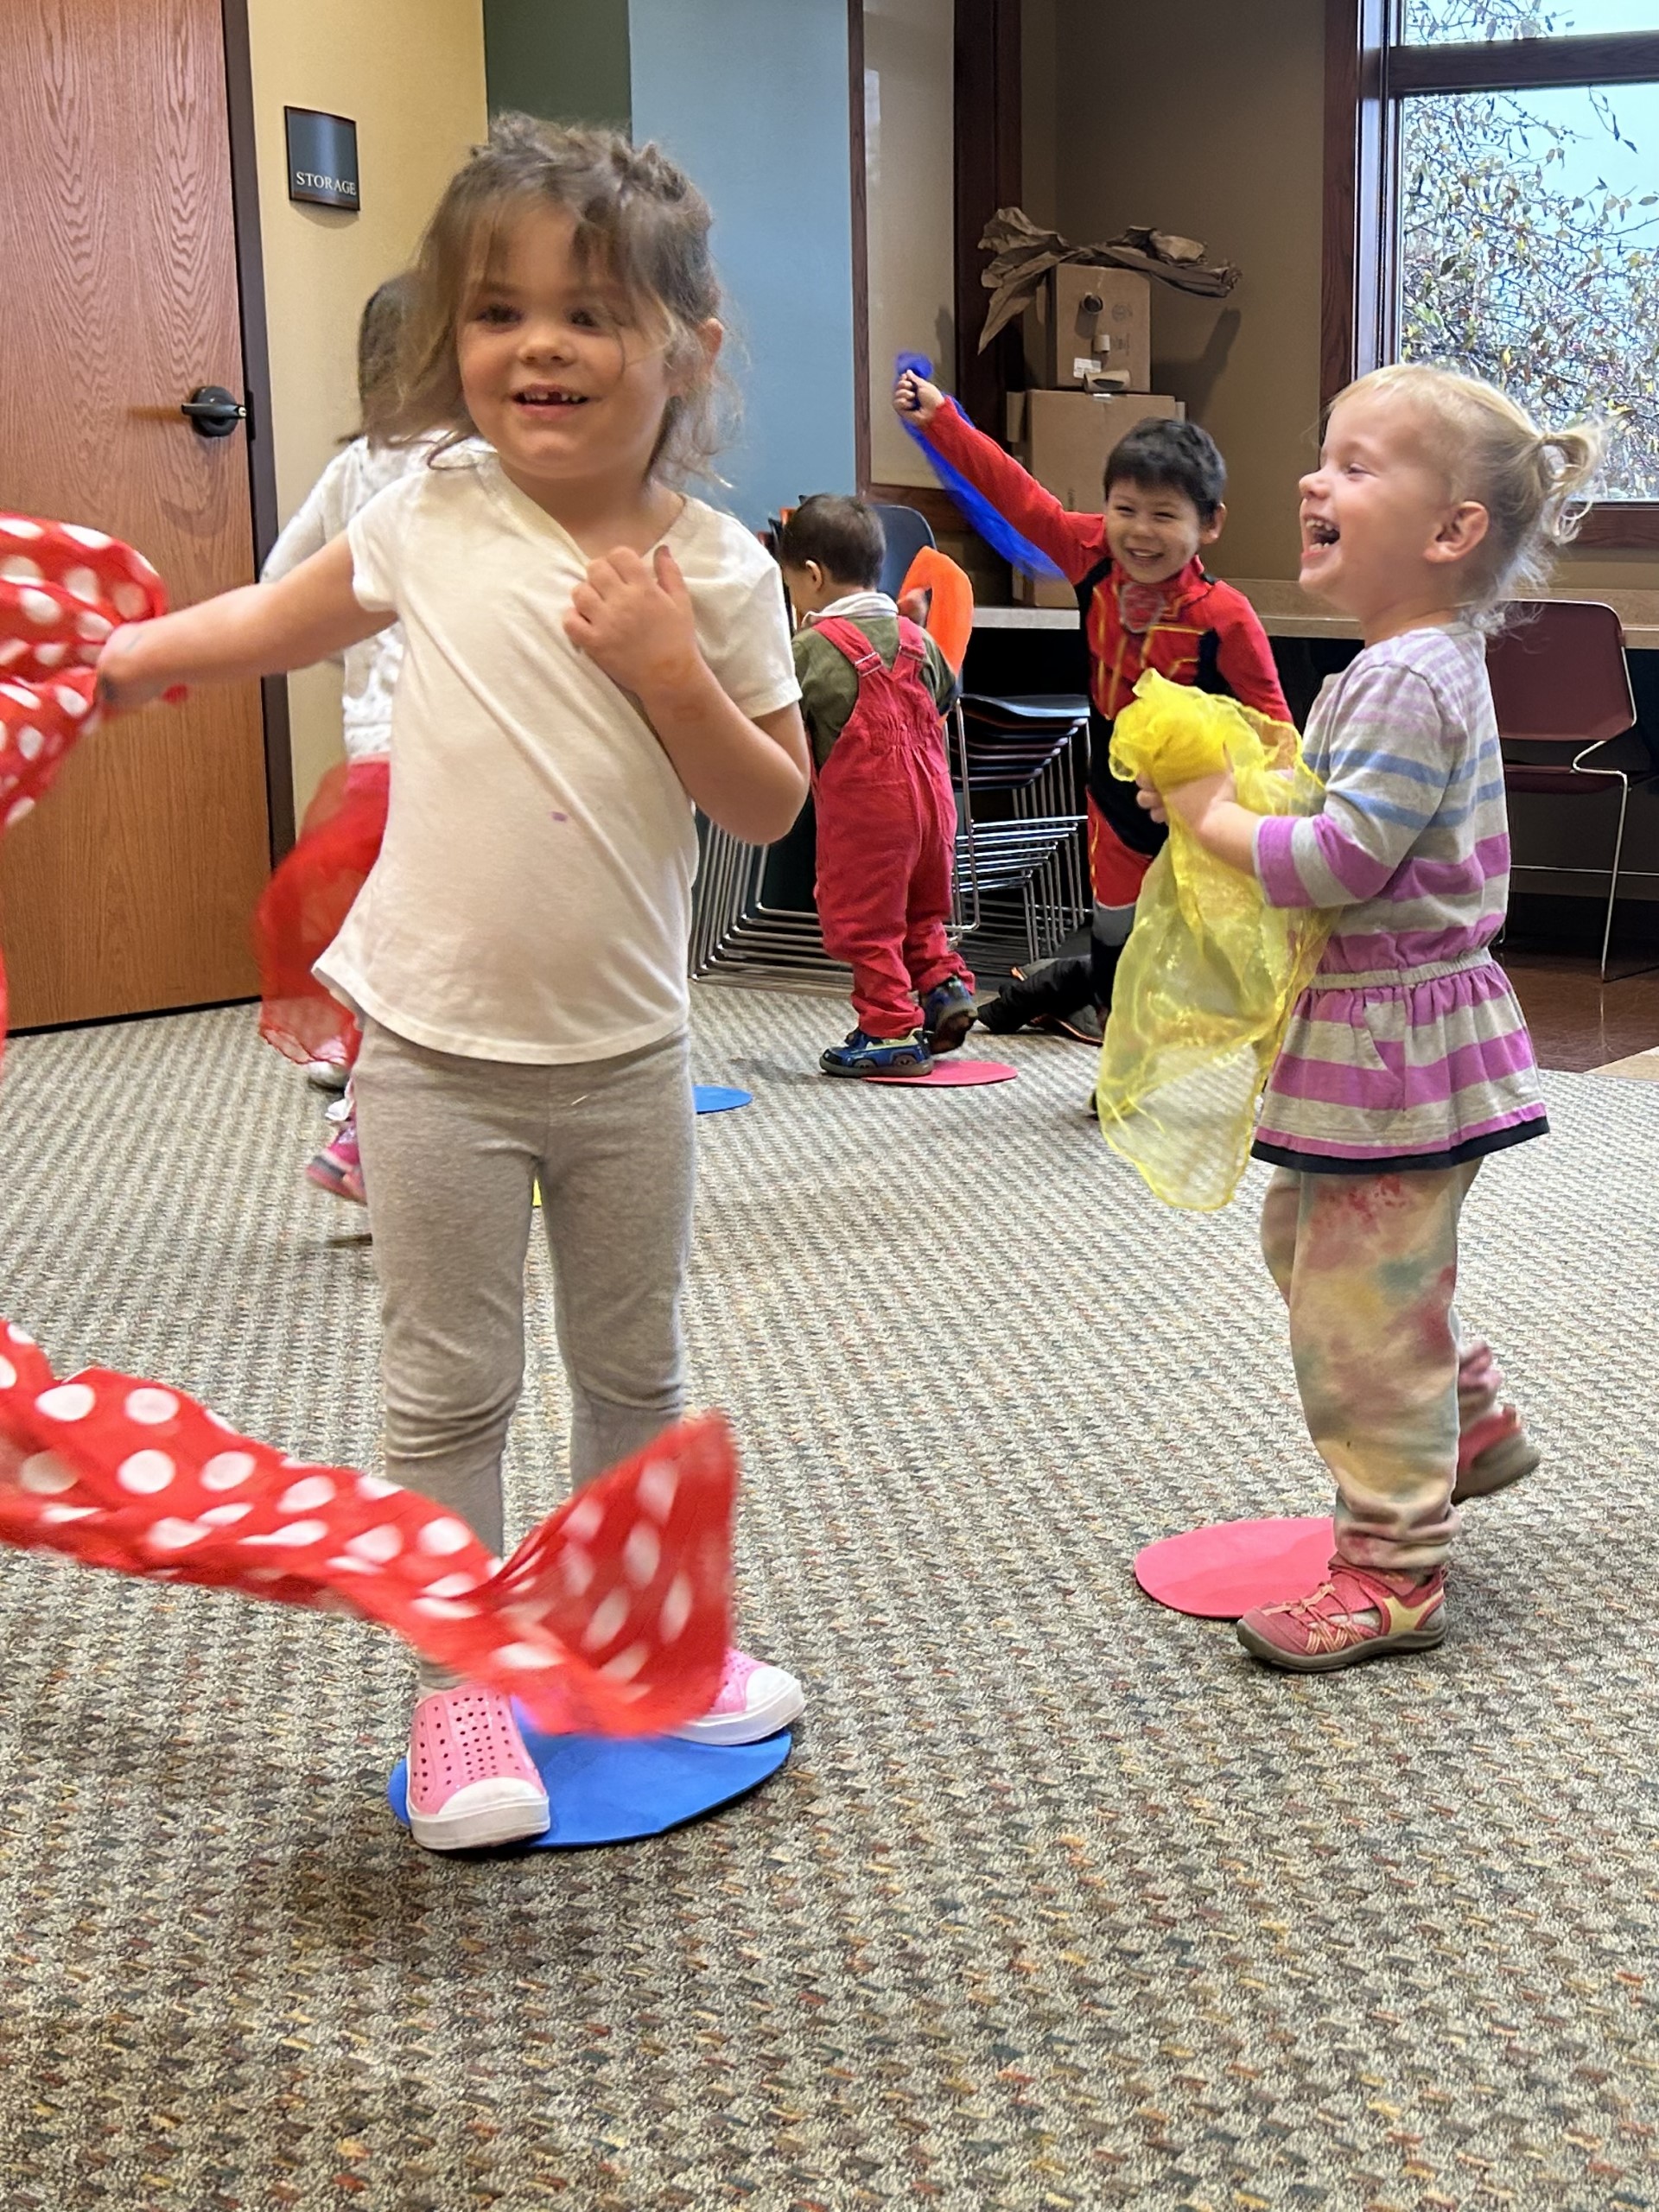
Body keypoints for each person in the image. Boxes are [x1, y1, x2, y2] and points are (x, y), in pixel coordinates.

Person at [97, 115, 813, 1848]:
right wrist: (119, 660)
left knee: (632, 1372)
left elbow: (767, 799)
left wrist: (668, 670)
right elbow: (275, 624)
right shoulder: (425, 516)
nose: (538, 346)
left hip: (629, 1051)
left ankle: (635, 1642)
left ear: (690, 351)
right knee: (447, 1386)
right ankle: (461, 1688)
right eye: (498, 311)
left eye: (590, 312)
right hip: (429, 1050)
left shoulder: (710, 567)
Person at [1136, 362, 1599, 1672]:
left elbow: (1344, 862)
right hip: (1381, 1036)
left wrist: (1212, 822)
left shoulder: (1407, 679)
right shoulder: (1399, 664)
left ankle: (1394, 1571)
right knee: (1322, 1252)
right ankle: (1468, 1418)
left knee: (1356, 1314)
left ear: (1452, 532)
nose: (1311, 480)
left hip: (1397, 1045)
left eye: (1354, 464)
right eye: (1319, 456)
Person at [893, 370, 1289, 1036]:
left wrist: (1283, 827)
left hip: (1202, 805)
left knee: (1204, 946)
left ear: (1210, 523)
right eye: (1124, 509)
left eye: (1164, 515)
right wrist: (943, 421)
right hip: (1113, 794)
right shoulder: (1092, 555)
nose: (1139, 531)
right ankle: (1107, 1036)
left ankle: (1063, 988)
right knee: (1115, 932)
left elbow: (1276, 727)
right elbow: (1021, 500)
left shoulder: (1227, 617)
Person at [258, 272, 435, 1204]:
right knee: (447, 956)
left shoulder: (355, 466)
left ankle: (368, 1123)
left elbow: (281, 588)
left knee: (389, 950)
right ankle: (390, 1132)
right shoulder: (474, 465)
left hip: (372, 751)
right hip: (460, 758)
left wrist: (359, 668)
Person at [778, 494, 974, 1077]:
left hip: (869, 812)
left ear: (811, 577)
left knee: (864, 920)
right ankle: (941, 987)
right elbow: (946, 696)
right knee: (920, 908)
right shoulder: (919, 640)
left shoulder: (810, 650)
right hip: (935, 804)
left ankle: (888, 1028)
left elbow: (782, 717)